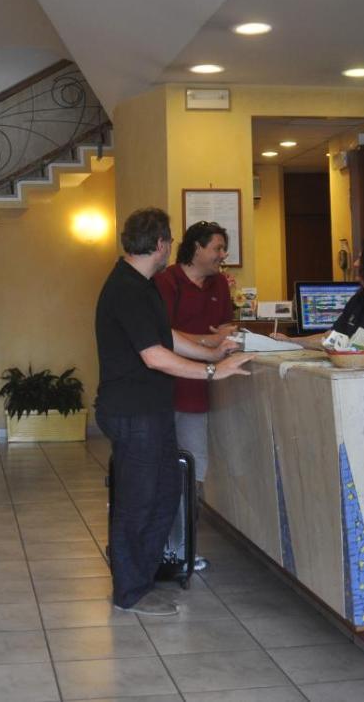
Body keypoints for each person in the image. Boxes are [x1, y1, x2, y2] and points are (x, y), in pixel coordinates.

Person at [95, 208, 254, 616]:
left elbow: (164, 336)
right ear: (161, 244)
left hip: (150, 411)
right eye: (169, 241)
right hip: (133, 413)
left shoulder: (142, 283)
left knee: (167, 491)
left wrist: (210, 352)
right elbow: (154, 356)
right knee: (138, 502)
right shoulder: (127, 288)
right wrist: (213, 371)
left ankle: (142, 578)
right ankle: (130, 592)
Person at [152, 221, 235, 571]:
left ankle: (182, 548)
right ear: (197, 248)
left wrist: (216, 339)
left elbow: (226, 330)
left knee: (192, 470)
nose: (222, 255)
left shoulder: (220, 284)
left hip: (198, 392)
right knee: (157, 469)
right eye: (217, 248)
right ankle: (156, 547)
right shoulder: (166, 281)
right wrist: (207, 341)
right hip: (162, 390)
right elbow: (160, 335)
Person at [275, 238, 364, 358]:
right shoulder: (359, 299)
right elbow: (330, 338)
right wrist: (291, 341)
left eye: (361, 259)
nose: (355, 264)